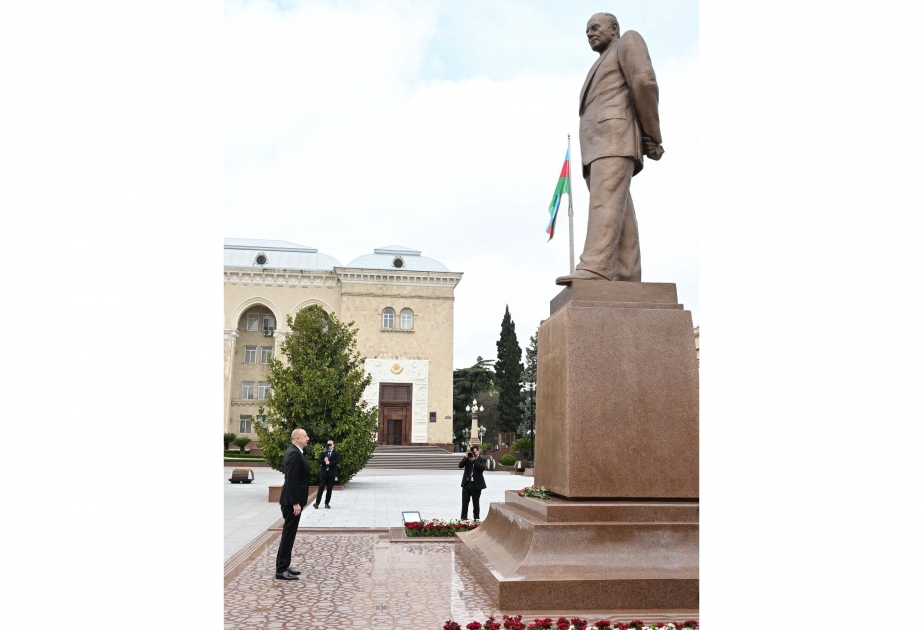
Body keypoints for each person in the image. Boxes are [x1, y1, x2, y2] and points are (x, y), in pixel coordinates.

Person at [556, 12, 664, 286]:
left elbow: (644, 82)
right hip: (597, 146)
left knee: (605, 203)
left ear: (614, 28)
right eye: (586, 32)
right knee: (619, 210)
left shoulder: (628, 41)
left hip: (615, 139)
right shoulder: (601, 61)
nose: (590, 34)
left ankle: (594, 268)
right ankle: (626, 274)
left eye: (595, 28)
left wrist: (652, 134)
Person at [275, 428, 310, 580]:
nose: (307, 438)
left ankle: (284, 565)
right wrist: (295, 502)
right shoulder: (294, 454)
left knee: (289, 535)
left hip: (292, 501)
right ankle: (281, 569)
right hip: (291, 502)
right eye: (305, 436)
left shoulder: (296, 452)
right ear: (297, 439)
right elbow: (291, 480)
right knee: (288, 535)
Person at [458, 445, 487, 520]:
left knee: (476, 504)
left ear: (478, 451)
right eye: (472, 452)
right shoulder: (468, 459)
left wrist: (474, 460)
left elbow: (481, 468)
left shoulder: (482, 459)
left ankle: (476, 520)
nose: (473, 454)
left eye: (475, 452)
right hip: (466, 484)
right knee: (464, 504)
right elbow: (460, 466)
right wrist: (465, 458)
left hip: (476, 485)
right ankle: (463, 520)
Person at [314, 439, 340, 509]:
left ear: (333, 445)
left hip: (331, 474)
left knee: (329, 489)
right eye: (328, 444)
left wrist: (330, 463)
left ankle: (327, 503)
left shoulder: (335, 453)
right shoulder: (324, 453)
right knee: (321, 487)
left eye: (330, 444)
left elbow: (337, 461)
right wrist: (324, 461)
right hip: (324, 473)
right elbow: (319, 461)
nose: (329, 446)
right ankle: (317, 503)